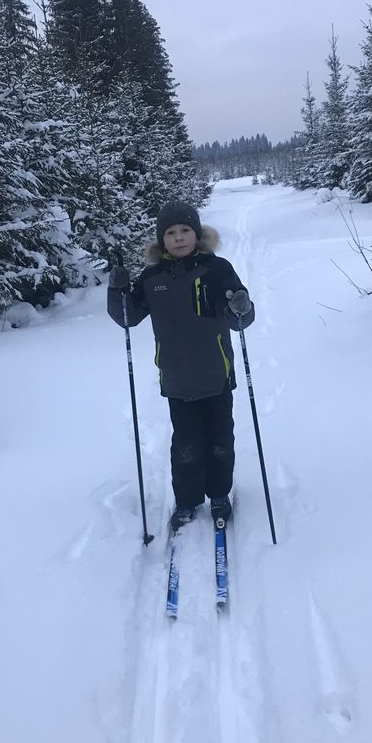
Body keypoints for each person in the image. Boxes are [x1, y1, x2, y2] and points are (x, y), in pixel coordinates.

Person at [107, 200, 254, 532]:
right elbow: (127, 317)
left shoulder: (217, 270)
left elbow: (239, 318)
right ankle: (188, 500)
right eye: (170, 232)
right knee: (186, 446)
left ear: (197, 234)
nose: (178, 237)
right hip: (177, 380)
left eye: (185, 230)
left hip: (216, 375)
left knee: (220, 441)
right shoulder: (152, 277)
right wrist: (116, 291)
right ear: (162, 239)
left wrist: (241, 306)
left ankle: (219, 494)